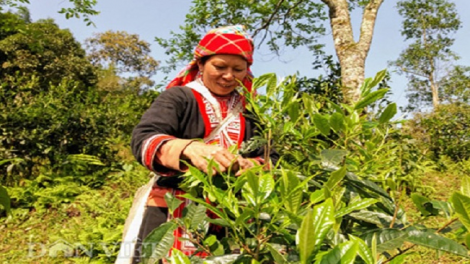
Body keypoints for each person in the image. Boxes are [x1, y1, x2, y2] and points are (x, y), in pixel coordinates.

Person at [129, 25, 278, 262]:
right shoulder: (179, 98)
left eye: (238, 69)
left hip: (232, 215)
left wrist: (252, 167)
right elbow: (144, 138)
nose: (229, 76)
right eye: (220, 67)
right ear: (200, 64)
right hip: (172, 209)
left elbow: (271, 157)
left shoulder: (249, 111)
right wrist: (188, 148)